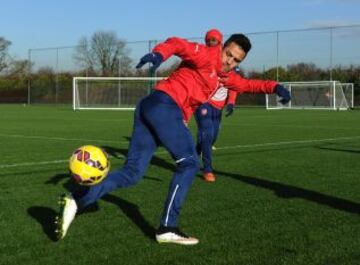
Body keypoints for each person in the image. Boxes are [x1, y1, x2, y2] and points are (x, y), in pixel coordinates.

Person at [55, 30, 290, 245]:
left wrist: (276, 87)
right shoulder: (207, 55)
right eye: (228, 54)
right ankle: (167, 227)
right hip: (165, 106)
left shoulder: (228, 78)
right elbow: (178, 44)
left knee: (132, 173)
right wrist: (158, 54)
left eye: (236, 60)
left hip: (150, 108)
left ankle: (76, 200)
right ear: (222, 48)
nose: (229, 61)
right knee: (189, 164)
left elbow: (250, 85)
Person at [195, 29, 238, 182]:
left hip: (218, 107)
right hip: (203, 102)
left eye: (215, 40)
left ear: (220, 42)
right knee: (206, 134)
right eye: (209, 41)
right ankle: (207, 169)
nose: (211, 43)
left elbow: (234, 85)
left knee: (212, 137)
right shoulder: (203, 57)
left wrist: (231, 102)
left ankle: (194, 154)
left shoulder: (229, 60)